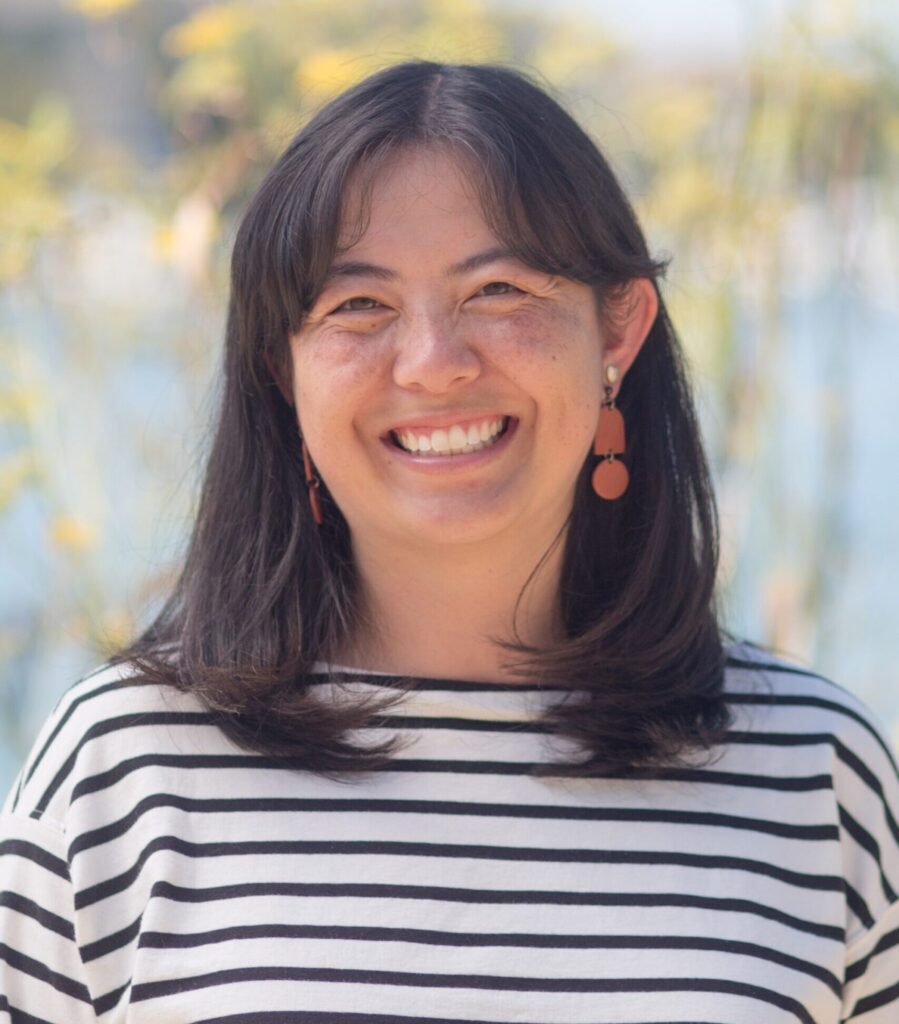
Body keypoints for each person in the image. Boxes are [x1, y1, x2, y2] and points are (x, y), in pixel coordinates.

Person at [1, 60, 897, 1023]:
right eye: (359, 306)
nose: (432, 364)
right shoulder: (125, 764)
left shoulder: (811, 769)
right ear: (283, 370)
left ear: (619, 329)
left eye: (499, 290)